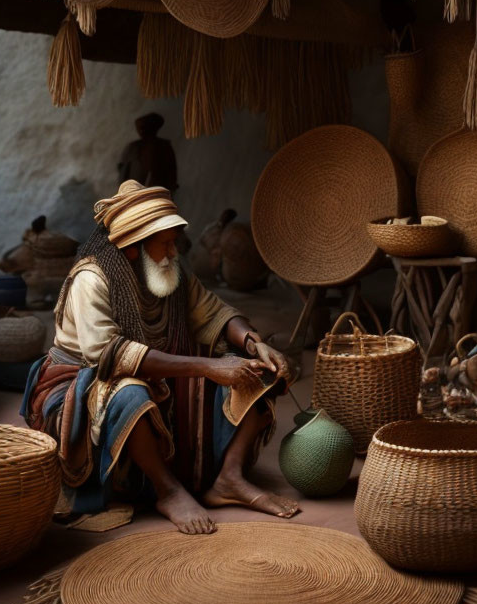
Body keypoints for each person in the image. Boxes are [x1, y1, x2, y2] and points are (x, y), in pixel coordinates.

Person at [21, 180, 298, 535]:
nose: (173, 252)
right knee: (129, 392)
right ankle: (168, 490)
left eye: (173, 242)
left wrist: (253, 344)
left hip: (155, 373)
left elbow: (214, 312)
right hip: (80, 384)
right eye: (164, 244)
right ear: (134, 248)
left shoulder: (169, 272)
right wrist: (211, 367)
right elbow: (109, 354)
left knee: (259, 373)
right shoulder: (91, 279)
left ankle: (229, 478)